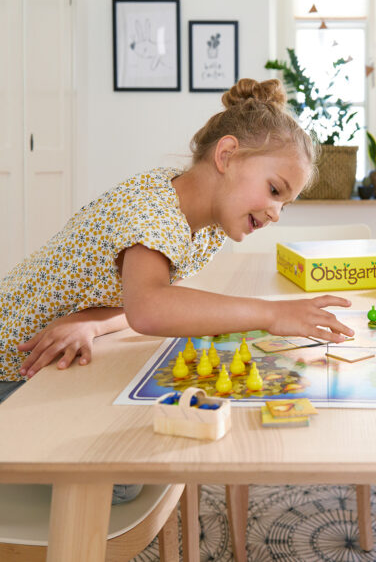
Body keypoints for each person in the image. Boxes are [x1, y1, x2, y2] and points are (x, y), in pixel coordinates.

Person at [0, 78, 354, 410]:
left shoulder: (205, 227)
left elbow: (148, 300)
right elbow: (150, 307)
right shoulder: (154, 210)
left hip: (51, 357)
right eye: (275, 190)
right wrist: (272, 314)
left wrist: (92, 324)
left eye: (284, 204)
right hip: (13, 367)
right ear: (226, 155)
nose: (276, 213)